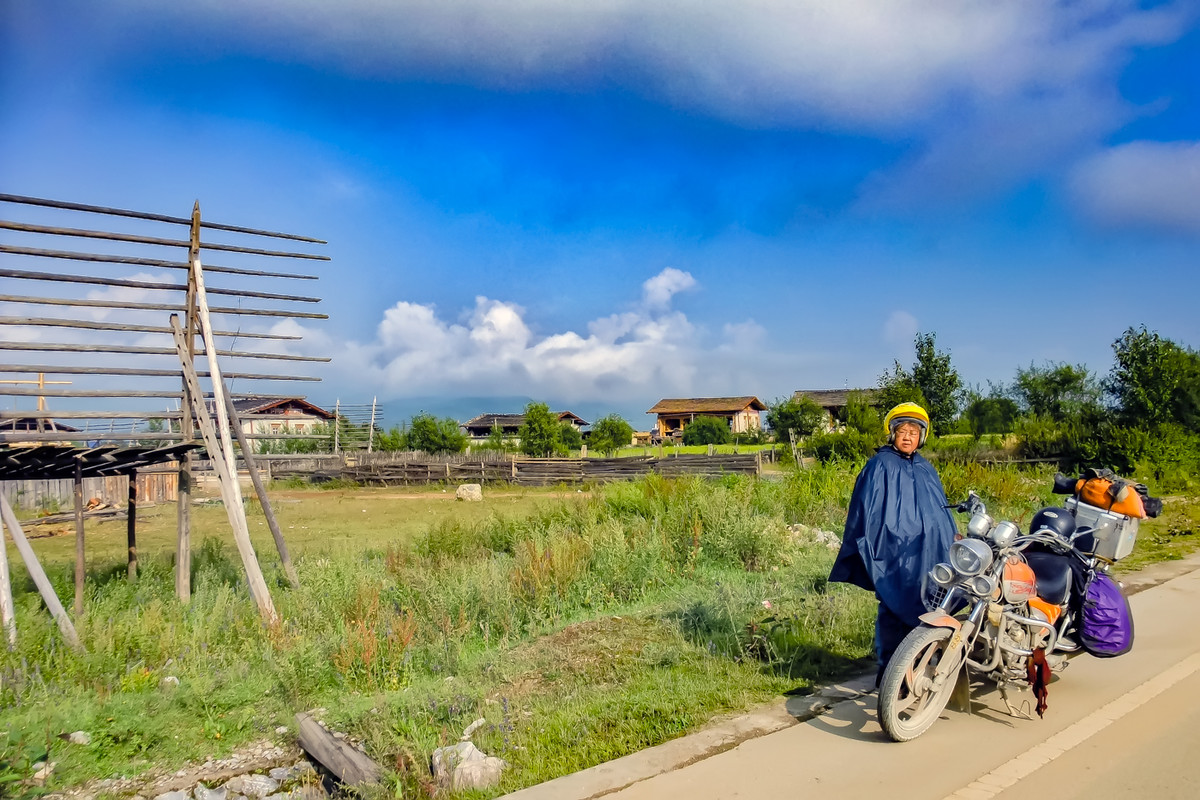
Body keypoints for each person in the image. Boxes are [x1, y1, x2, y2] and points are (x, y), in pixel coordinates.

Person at [828, 402, 958, 684]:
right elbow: (868, 513)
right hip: (895, 553)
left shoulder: (925, 468)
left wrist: (951, 537)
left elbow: (940, 509)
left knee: (932, 606)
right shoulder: (880, 466)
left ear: (922, 436)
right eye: (903, 431)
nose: (908, 437)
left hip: (930, 553)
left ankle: (922, 665)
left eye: (914, 432)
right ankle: (889, 673)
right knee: (894, 607)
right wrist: (882, 545)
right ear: (892, 434)